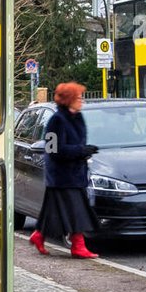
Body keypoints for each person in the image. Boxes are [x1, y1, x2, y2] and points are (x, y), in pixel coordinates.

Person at [29, 82, 100, 259]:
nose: (81, 101)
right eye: (78, 98)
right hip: (61, 176)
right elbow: (53, 150)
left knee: (55, 211)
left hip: (76, 173)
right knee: (76, 211)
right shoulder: (56, 121)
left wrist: (84, 151)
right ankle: (78, 246)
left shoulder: (78, 118)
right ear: (68, 100)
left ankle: (39, 235)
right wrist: (81, 151)